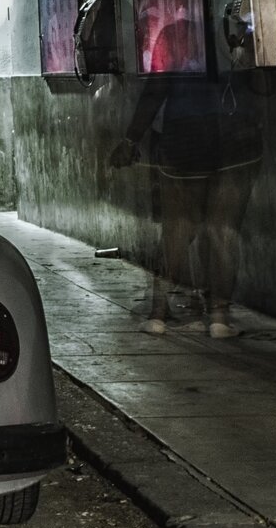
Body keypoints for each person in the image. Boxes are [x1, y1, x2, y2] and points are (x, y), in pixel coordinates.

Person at [111, 65, 262, 338]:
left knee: (177, 229)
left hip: (184, 135)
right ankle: (219, 317)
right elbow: (265, 84)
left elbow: (156, 89)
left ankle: (158, 315)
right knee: (223, 230)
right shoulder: (241, 31)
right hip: (235, 132)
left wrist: (131, 138)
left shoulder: (175, 32)